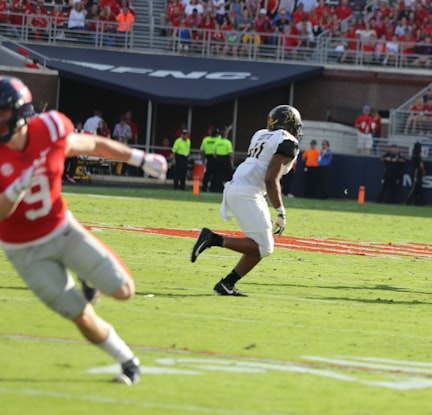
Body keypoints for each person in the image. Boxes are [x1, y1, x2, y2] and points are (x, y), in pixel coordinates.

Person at [0, 76, 168, 385]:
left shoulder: (49, 130)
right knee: (79, 314)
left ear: (20, 112)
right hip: (24, 250)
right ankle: (128, 362)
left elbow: (91, 144)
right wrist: (15, 188)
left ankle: (89, 278)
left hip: (61, 229)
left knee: (124, 291)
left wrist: (140, 158)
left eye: (2, 113)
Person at [190, 105, 301, 296]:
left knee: (261, 244)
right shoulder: (287, 142)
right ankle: (212, 239)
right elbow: (270, 178)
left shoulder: (260, 134)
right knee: (264, 247)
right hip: (247, 192)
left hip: (239, 187)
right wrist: (281, 211)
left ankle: (227, 284)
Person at [213, 124, 235, 192]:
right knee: (229, 174)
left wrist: (216, 158)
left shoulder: (217, 141)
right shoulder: (227, 142)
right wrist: (232, 159)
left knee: (218, 175)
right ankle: (231, 188)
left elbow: (214, 153)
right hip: (225, 159)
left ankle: (217, 189)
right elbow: (230, 153)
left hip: (218, 159)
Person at [198, 126, 219, 192]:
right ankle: (213, 188)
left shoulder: (206, 139)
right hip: (216, 158)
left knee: (207, 174)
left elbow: (201, 151)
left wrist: (202, 159)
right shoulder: (218, 140)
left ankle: (204, 187)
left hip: (208, 158)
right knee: (215, 174)